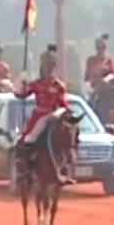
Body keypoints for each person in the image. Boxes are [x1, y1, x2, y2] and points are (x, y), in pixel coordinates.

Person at [15, 44, 73, 184]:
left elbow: (64, 104)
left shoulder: (59, 86)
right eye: (47, 66)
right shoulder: (36, 84)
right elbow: (21, 95)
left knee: (69, 138)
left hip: (55, 116)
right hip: (39, 116)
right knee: (27, 139)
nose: (50, 69)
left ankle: (66, 168)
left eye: (52, 66)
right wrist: (21, 83)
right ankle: (26, 168)